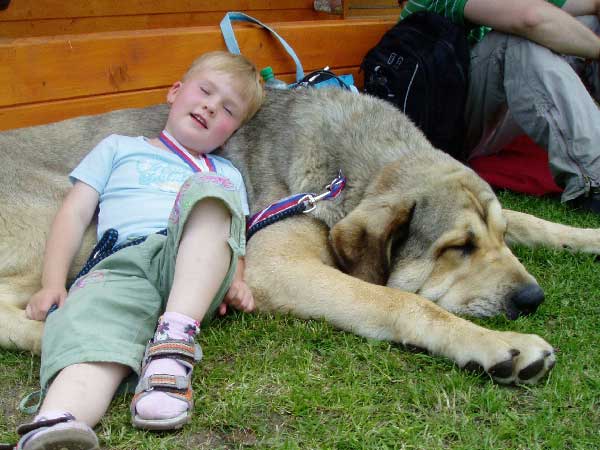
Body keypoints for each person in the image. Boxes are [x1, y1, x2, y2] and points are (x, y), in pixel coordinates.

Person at [11, 51, 264, 449]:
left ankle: (171, 350)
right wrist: (52, 282)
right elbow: (74, 213)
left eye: (228, 108)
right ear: (175, 92)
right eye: (205, 91)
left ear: (230, 133)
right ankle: (55, 424)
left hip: (192, 271)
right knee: (96, 341)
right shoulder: (118, 147)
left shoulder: (224, 174)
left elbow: (234, 236)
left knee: (213, 195)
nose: (211, 106)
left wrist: (237, 277)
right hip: (121, 267)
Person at [399, 0, 600, 213]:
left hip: (475, 109)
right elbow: (530, 19)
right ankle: (593, 179)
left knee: (587, 24)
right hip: (435, 126)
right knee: (518, 41)